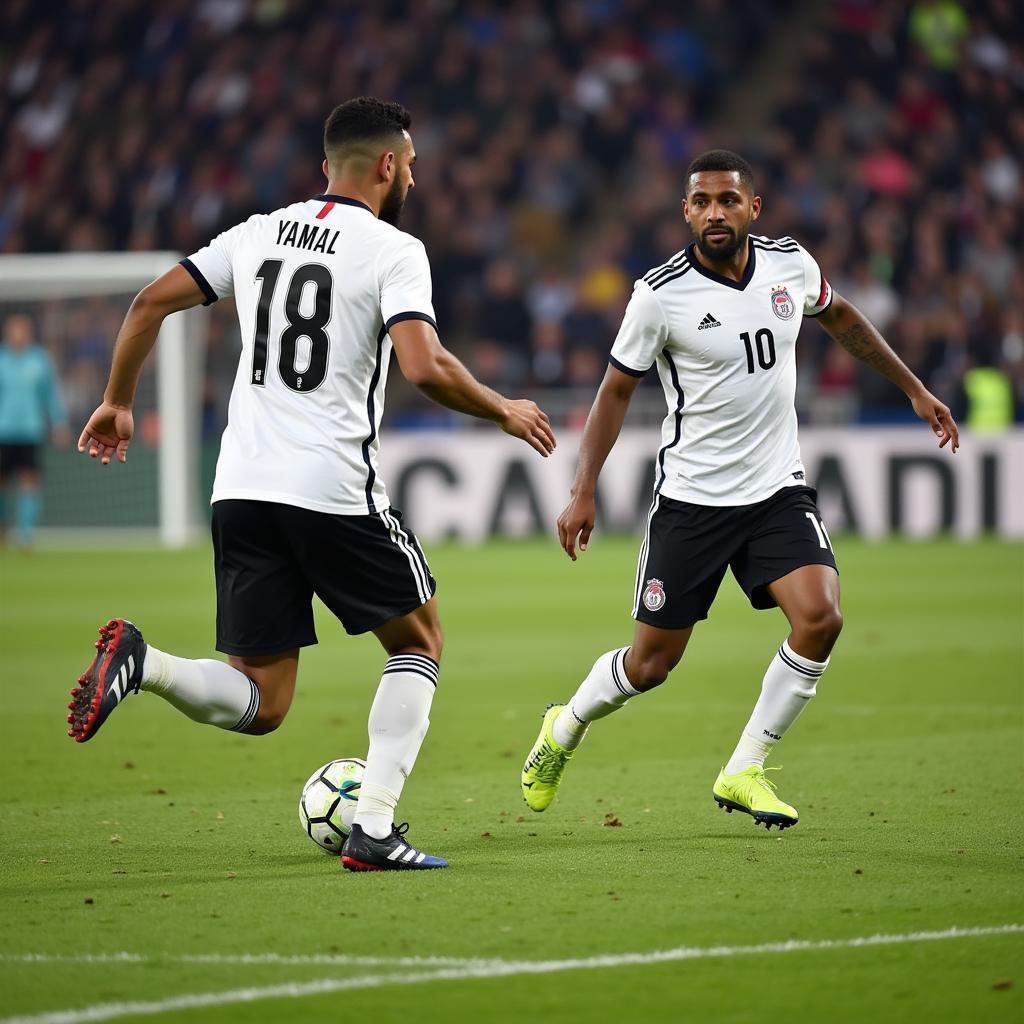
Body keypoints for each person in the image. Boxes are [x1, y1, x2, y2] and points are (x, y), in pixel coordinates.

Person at [69, 97, 556, 872]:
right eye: (414, 166)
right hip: (329, 484)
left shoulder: (258, 232)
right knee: (419, 638)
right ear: (389, 165)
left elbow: (149, 301)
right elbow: (424, 365)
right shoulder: (394, 249)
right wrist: (501, 408)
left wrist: (119, 400)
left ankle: (146, 662)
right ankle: (375, 829)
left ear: (327, 165)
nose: (416, 180)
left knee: (263, 700)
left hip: (240, 487)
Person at [521, 150, 958, 830]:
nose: (714, 213)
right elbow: (614, 392)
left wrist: (915, 390)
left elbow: (842, 319)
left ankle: (745, 767)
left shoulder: (791, 263)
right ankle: (565, 726)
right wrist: (583, 489)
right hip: (692, 503)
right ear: (686, 212)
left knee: (821, 617)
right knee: (651, 664)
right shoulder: (659, 294)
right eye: (701, 202)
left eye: (728, 200)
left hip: (777, 492)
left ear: (753, 208)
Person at [0, 314, 69, 549]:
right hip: (3, 430)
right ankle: (3, 527)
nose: (18, 334)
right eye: (14, 329)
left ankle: (25, 534)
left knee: (31, 480)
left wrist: (59, 424)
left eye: (22, 329)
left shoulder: (40, 360)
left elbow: (50, 395)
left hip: (31, 430)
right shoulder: (2, 360)